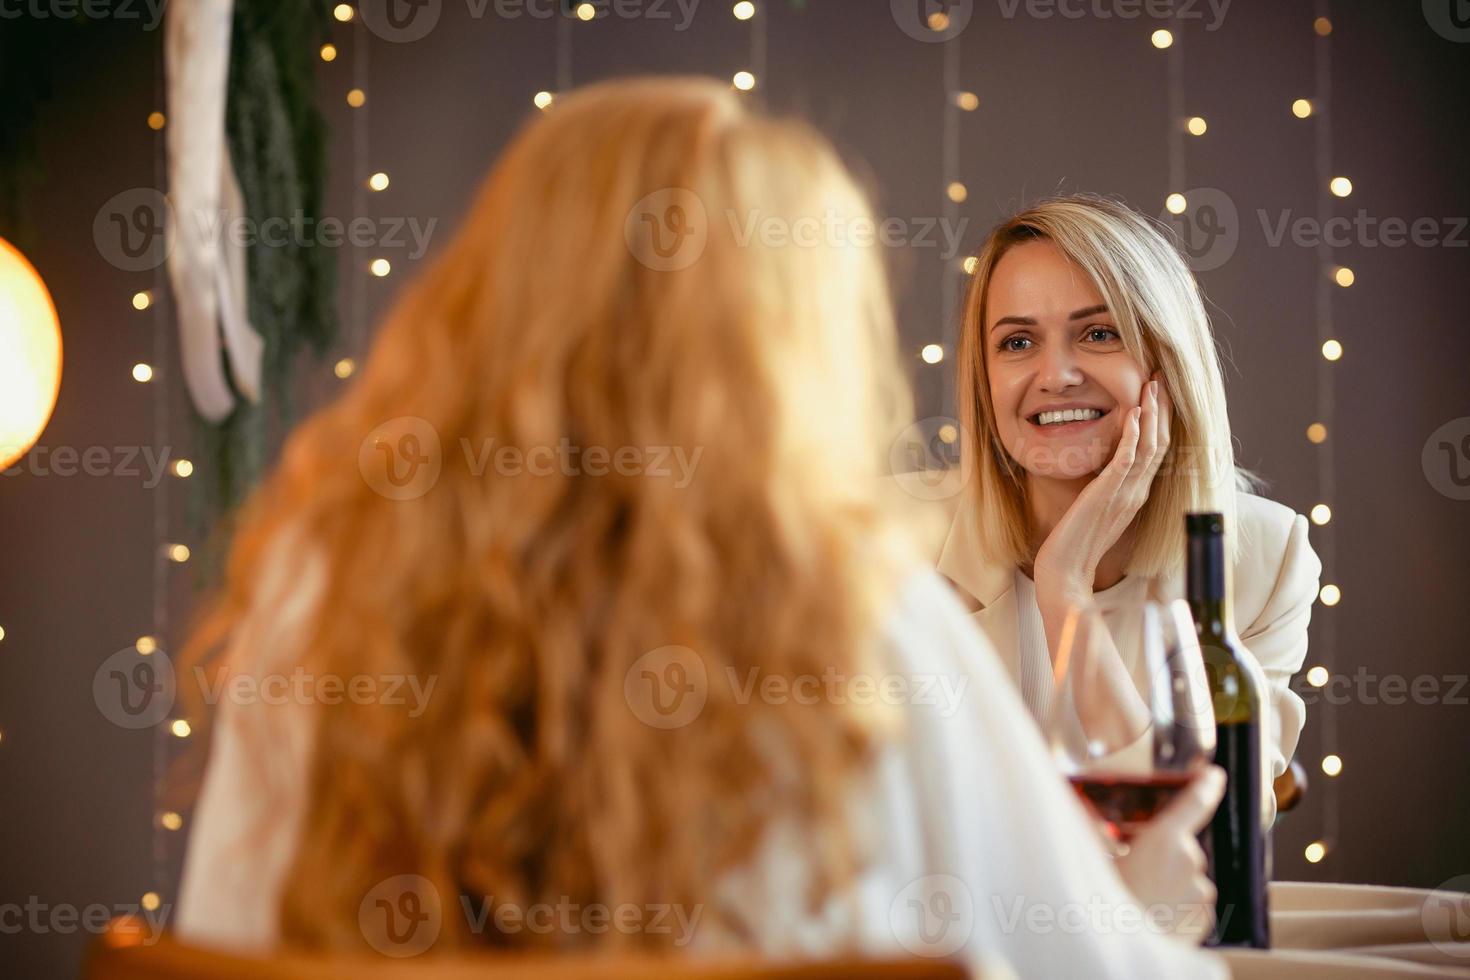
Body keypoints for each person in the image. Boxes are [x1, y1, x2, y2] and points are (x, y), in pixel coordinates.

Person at [175, 78, 1226, 977]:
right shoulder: (863, 618)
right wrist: (1132, 893)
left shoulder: (324, 600)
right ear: (777, 346)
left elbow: (219, 943)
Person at [921, 195, 1321, 808]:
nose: (1055, 375)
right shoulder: (892, 547)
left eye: (1099, 333)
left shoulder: (1264, 560)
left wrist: (1066, 587)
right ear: (985, 381)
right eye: (1018, 343)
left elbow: (1206, 832)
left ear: (1168, 364)